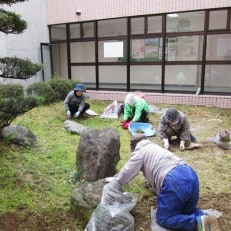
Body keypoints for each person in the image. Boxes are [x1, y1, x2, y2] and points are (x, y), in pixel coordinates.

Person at [111, 134, 220, 231]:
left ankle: (197, 222)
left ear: (133, 147)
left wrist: (114, 182)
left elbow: (126, 173)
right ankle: (207, 220)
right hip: (190, 174)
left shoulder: (139, 152)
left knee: (164, 218)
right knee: (185, 212)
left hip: (174, 181)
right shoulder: (155, 148)